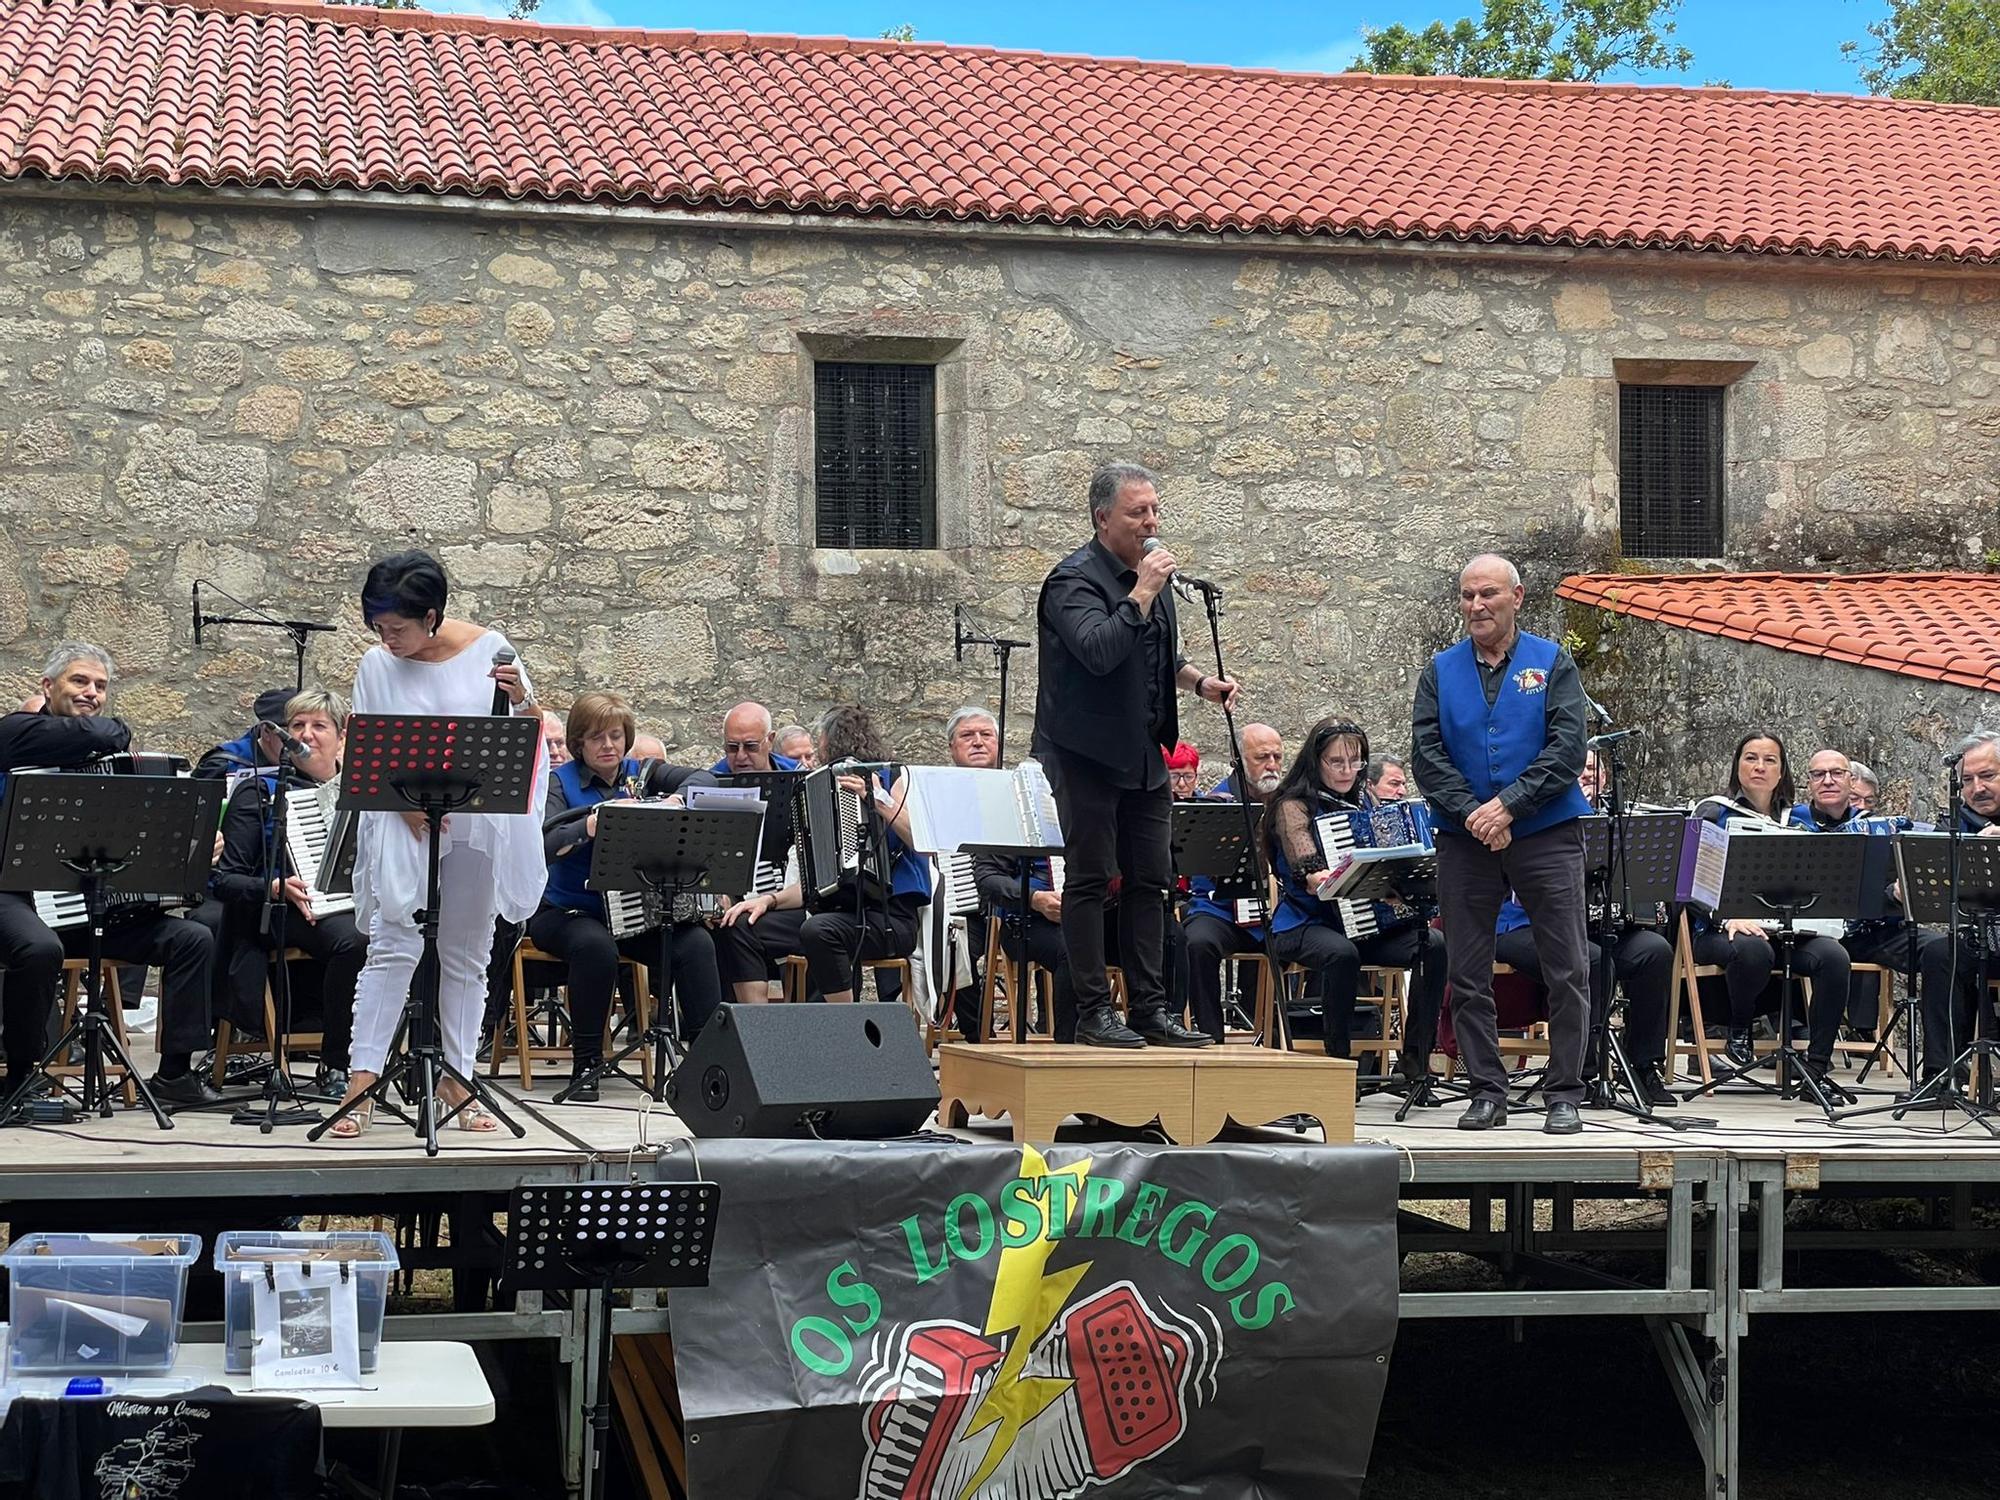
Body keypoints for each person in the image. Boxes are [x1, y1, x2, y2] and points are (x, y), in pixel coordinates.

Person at [332, 551, 547, 1138]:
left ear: (430, 616)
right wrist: (401, 805)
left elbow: (529, 736)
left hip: (476, 820)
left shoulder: (490, 649)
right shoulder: (376, 665)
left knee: (467, 954)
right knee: (394, 944)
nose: (386, 638)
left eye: (396, 627)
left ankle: (458, 1075)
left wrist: (524, 698)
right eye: (377, 627)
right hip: (407, 819)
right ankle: (362, 1079)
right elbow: (364, 751)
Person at [1031, 461, 1235, 1048]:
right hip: (1085, 753)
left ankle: (1151, 1009)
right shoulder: (1071, 582)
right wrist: (1142, 590)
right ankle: (1094, 1011)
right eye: (1137, 512)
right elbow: (1099, 650)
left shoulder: (1155, 584)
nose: (1150, 522)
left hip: (1144, 749)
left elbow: (1157, 657)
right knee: (1092, 878)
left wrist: (1201, 683)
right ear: (1102, 518)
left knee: (1154, 879)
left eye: (1154, 509)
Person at [1411, 554, 1591, 1133]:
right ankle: (1487, 1089)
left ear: (1517, 596)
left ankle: (1564, 1091)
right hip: (1466, 837)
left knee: (1567, 965)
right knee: (1466, 971)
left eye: (1487, 594)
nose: (1475, 606)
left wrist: (1509, 805)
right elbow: (1427, 755)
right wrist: (1474, 814)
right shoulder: (1440, 670)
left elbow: (1566, 749)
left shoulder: (1552, 662)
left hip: (1545, 830)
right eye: (1466, 596)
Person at [0, 643, 218, 1106]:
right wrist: (115, 730)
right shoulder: (17, 736)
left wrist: (193, 847)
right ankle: (21, 1076)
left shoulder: (106, 756)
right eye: (79, 681)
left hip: (98, 909)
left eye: (100, 686)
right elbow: (107, 732)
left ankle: (175, 1076)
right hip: (22, 899)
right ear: (47, 687)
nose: (91, 692)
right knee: (39, 948)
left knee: (192, 939)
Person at [531, 692, 720, 1100]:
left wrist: (675, 800)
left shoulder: (643, 772)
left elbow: (706, 779)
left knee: (695, 943)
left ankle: (710, 1064)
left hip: (633, 914)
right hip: (566, 909)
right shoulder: (558, 782)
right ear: (579, 742)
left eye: (616, 736)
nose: (608, 746)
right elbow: (545, 842)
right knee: (595, 947)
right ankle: (587, 1063)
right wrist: (589, 828)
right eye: (597, 738)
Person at [1265, 716, 1444, 1082]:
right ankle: (1339, 1062)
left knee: (1434, 945)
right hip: (1306, 922)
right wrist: (1351, 875)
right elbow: (1312, 878)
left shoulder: (1368, 802)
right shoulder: (1293, 806)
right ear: (1316, 761)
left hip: (1365, 924)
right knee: (1340, 954)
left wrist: (1397, 882)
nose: (1348, 771)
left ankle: (1414, 1059)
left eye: (1356, 761)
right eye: (1337, 762)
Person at [210, 689, 365, 1097]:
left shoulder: (363, 788)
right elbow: (226, 880)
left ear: (341, 735)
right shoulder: (260, 792)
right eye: (298, 726)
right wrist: (274, 887)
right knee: (353, 941)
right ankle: (337, 1064)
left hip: (355, 902)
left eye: (319, 726)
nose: (307, 735)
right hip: (277, 910)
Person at [717, 706, 927, 1003]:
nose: (816, 755)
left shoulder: (896, 777)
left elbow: (924, 843)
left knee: (820, 930)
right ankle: (756, 1036)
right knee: (740, 925)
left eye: (818, 747)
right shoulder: (823, 789)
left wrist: (877, 798)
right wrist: (769, 900)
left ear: (827, 745)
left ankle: (846, 1033)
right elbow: (818, 882)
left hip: (890, 919)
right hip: (832, 915)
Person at [1688, 732, 1854, 1080]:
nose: (1759, 767)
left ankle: (1817, 1066)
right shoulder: (1713, 811)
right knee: (1753, 948)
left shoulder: (1803, 820)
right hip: (1720, 929)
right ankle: (1739, 1026)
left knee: (1835, 957)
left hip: (1790, 930)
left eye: (1769, 760)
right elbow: (1690, 880)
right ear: (1737, 767)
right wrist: (1728, 916)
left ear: (1782, 772)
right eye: (1750, 758)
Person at [1181, 723, 1283, 1041]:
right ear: (1238, 759)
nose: (1272, 765)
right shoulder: (1217, 802)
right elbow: (1199, 875)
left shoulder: (1289, 804)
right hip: (1220, 910)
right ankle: (1210, 1036)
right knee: (1198, 943)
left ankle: (1282, 1036)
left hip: (1275, 912)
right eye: (1262, 757)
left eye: (1277, 757)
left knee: (1317, 939)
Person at [193, 686, 299, 781]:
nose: (302, 739)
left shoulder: (306, 765)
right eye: (291, 730)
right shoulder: (222, 766)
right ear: (266, 731)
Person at [712, 703, 799, 777]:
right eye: (732, 747)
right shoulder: (712, 784)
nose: (740, 756)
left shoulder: (796, 775)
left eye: (750, 746)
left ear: (770, 740)